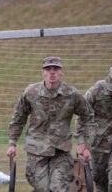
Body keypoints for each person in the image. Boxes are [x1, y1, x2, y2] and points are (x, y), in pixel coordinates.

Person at [6, 56, 97, 192]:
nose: (52, 72)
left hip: (61, 151)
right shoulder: (30, 93)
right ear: (43, 72)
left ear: (62, 72)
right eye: (48, 69)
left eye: (56, 69)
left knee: (59, 188)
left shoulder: (72, 94)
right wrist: (12, 143)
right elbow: (18, 118)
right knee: (42, 188)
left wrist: (85, 144)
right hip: (36, 150)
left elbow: (88, 118)